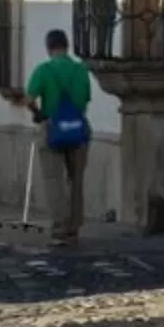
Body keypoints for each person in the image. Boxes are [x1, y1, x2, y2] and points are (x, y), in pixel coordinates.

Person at [24, 29, 94, 246]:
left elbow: (28, 98)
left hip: (52, 128)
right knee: (76, 180)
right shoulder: (80, 70)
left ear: (48, 47)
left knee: (53, 179)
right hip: (78, 130)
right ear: (67, 46)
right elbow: (86, 99)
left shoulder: (44, 70)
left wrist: (39, 114)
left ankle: (60, 225)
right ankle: (74, 225)